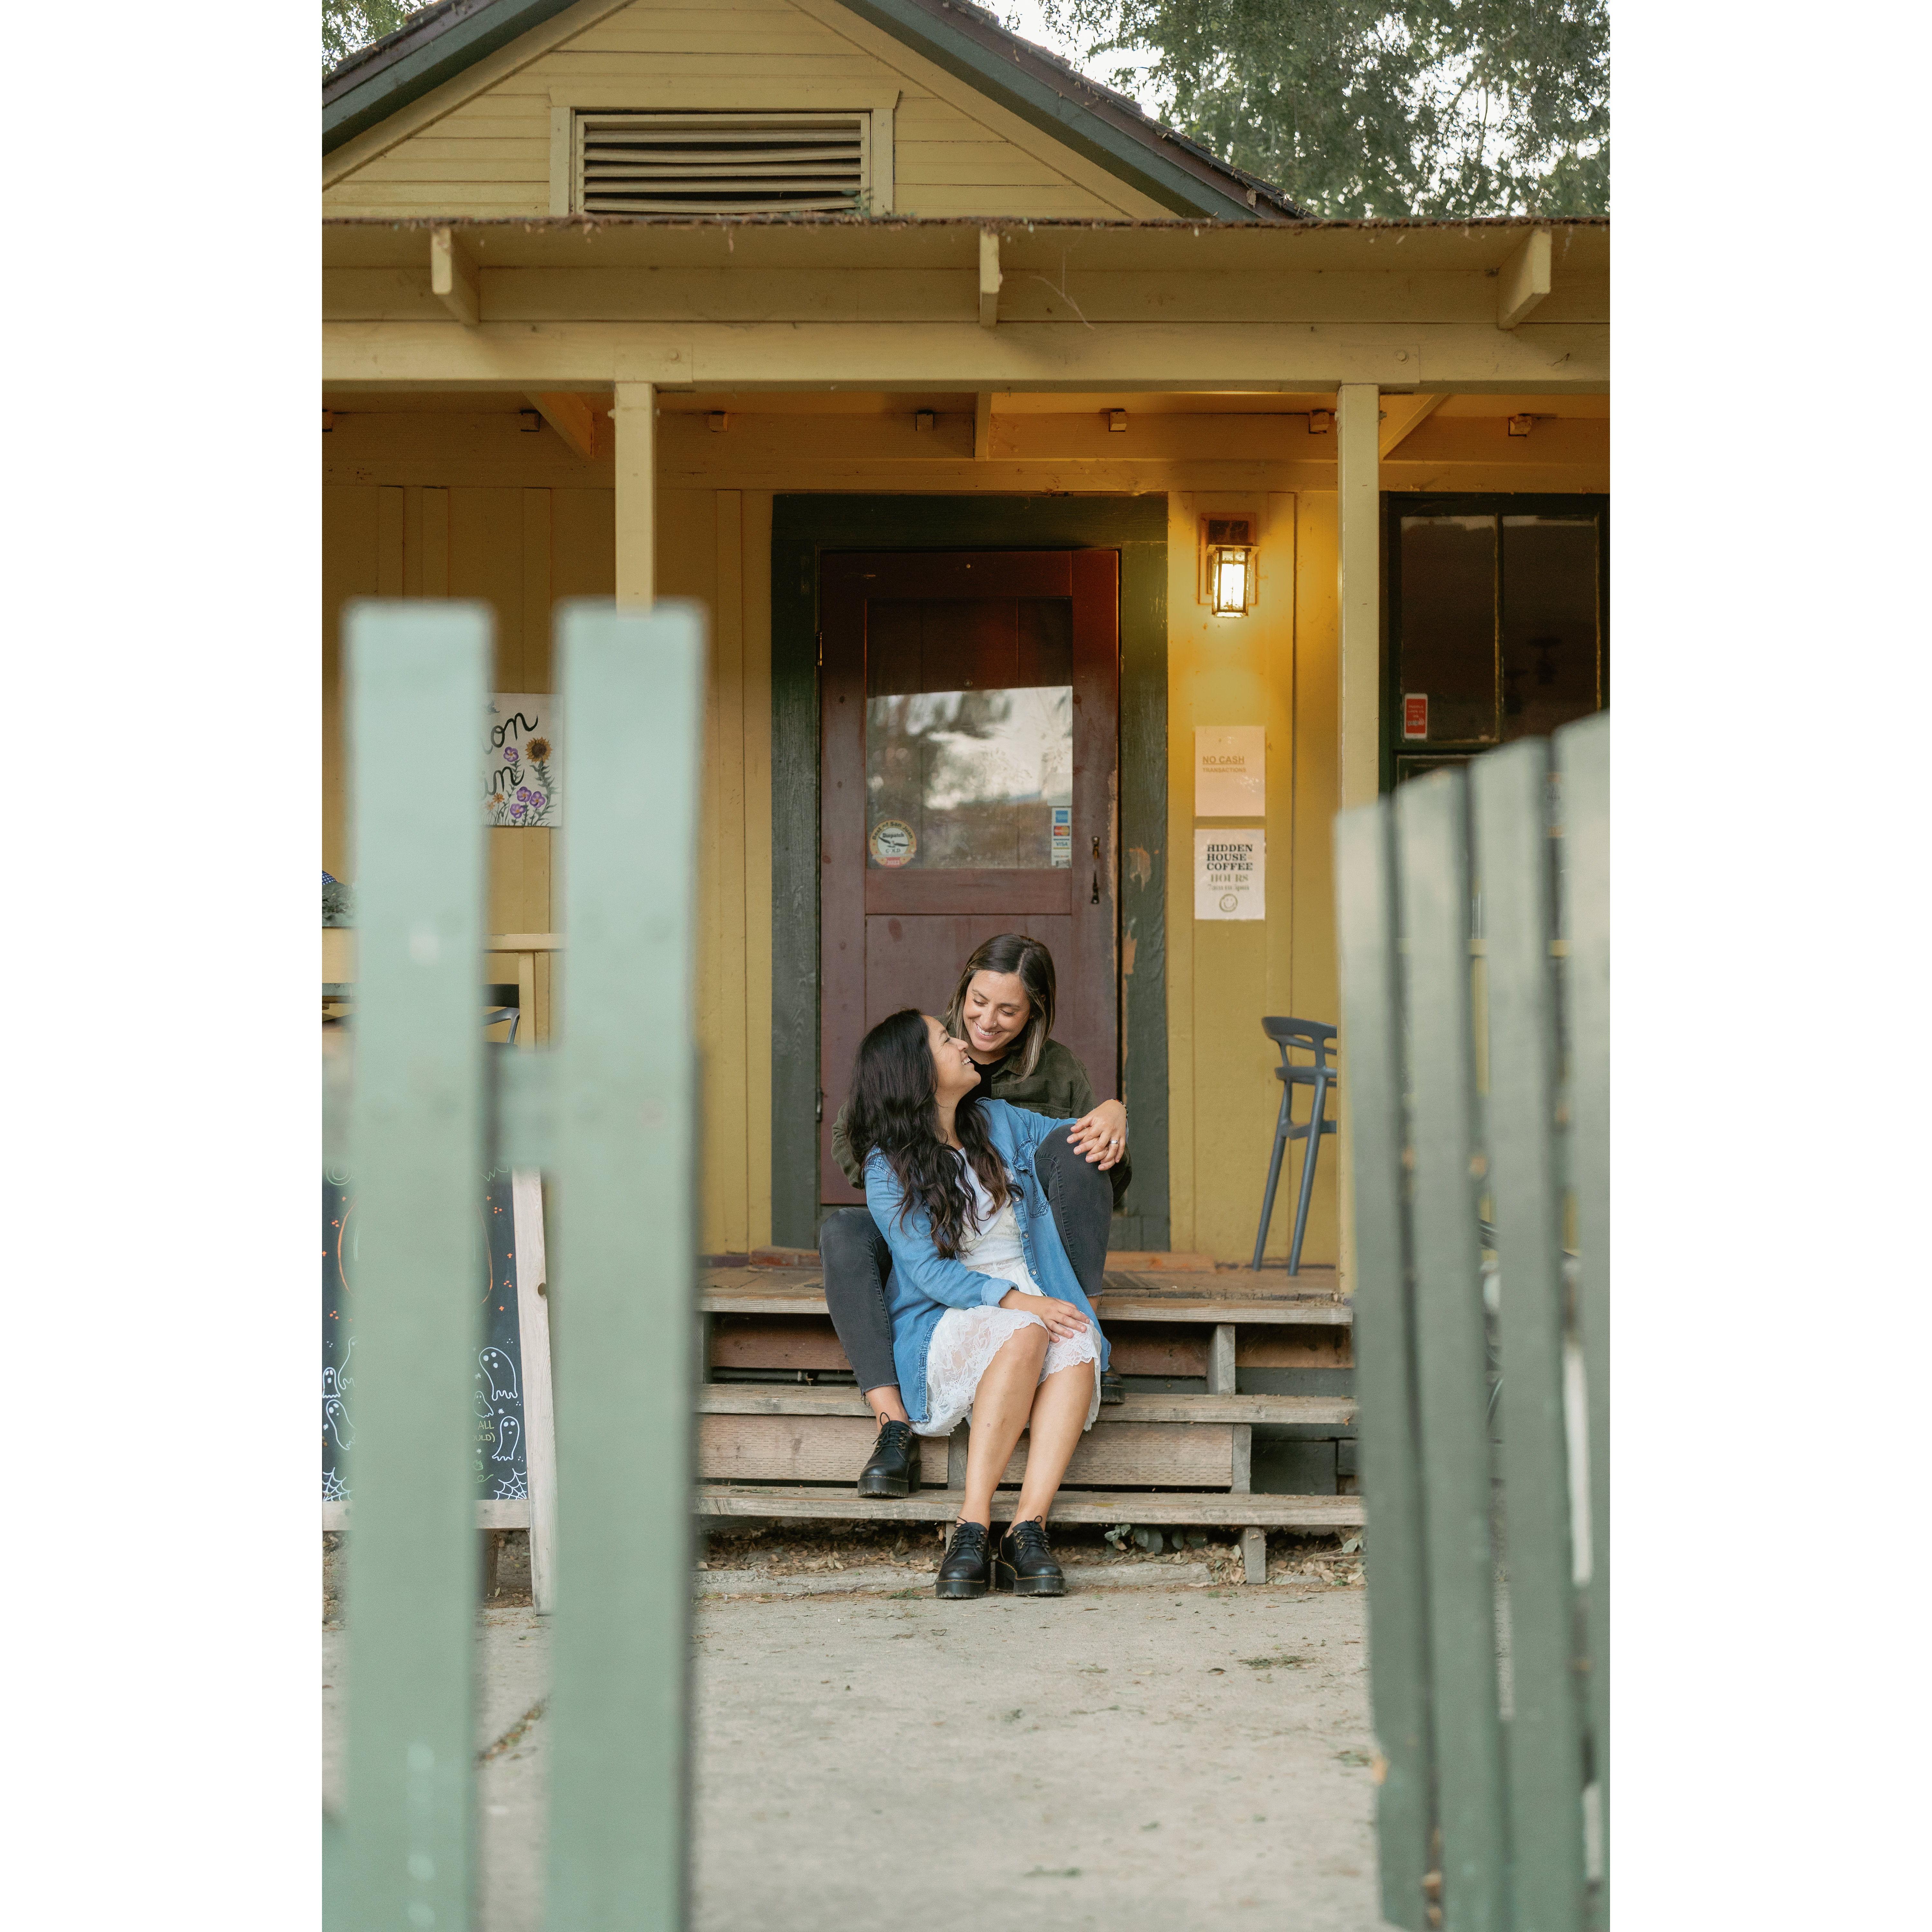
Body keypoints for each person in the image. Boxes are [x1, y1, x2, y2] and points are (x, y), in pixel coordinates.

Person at [821, 933, 1128, 1497]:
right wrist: (920, 1181)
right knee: (842, 1232)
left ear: (1034, 1014)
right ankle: (892, 1425)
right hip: (922, 1215)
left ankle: (1083, 1328)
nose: (985, 1023)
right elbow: (854, 1135)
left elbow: (1090, 1160)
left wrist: (1113, 1112)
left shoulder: (1053, 1074)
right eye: (978, 1003)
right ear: (963, 991)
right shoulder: (917, 1045)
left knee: (1081, 1151)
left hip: (1019, 1232)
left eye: (1008, 1011)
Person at [846, 1007, 1110, 1599]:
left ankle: (1027, 1530)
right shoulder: (888, 1165)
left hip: (1028, 1290)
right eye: (946, 1040)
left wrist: (1113, 1112)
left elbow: (1071, 1135)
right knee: (1029, 1329)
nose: (964, 1044)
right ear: (917, 1071)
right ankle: (972, 1525)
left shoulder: (997, 1120)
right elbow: (927, 1272)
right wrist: (1018, 1304)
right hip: (949, 1312)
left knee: (1078, 1339)